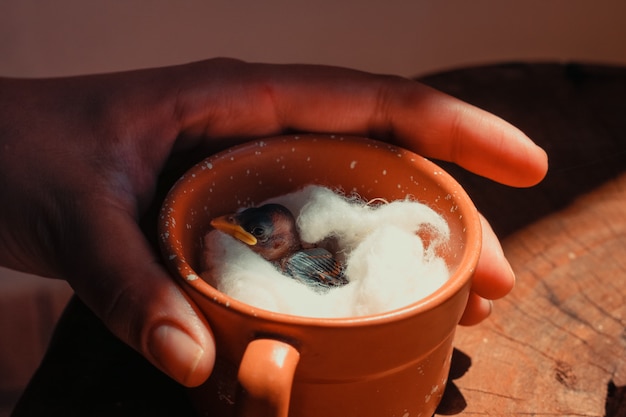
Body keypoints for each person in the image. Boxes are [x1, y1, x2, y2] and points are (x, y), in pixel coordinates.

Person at [0, 58, 547, 388]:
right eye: (250, 232)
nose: (241, 232)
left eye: (257, 232)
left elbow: (333, 281)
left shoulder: (307, 259)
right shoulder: (270, 259)